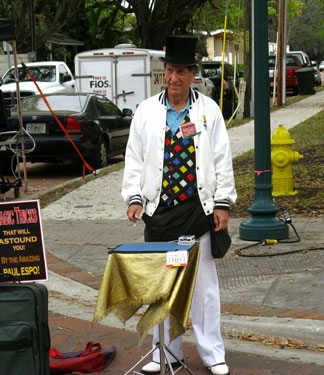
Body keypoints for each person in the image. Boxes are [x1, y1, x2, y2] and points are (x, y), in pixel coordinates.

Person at [121, 35, 237, 375]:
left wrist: (223, 203)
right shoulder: (145, 112)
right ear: (164, 73)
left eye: (182, 72)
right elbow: (134, 158)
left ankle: (213, 354)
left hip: (197, 210)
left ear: (193, 75)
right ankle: (166, 352)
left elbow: (221, 159)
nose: (174, 78)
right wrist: (134, 197)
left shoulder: (208, 111)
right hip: (160, 213)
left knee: (204, 291)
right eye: (170, 71)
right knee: (164, 287)